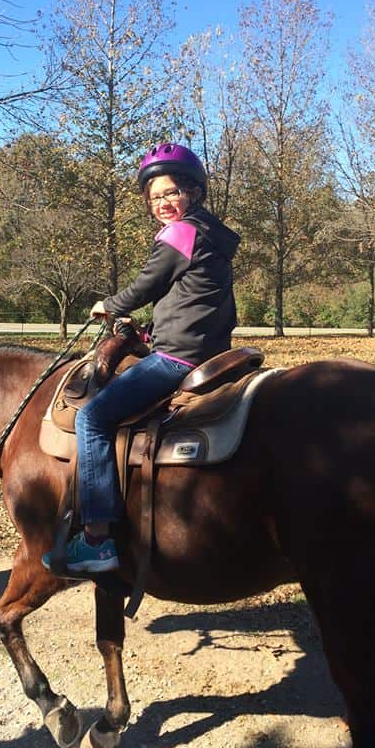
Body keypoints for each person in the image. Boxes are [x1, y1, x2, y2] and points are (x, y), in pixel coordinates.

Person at [42, 143, 240, 575]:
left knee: (92, 419)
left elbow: (147, 285)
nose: (163, 204)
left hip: (179, 358)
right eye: (154, 197)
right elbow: (190, 302)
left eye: (171, 193)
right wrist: (148, 332)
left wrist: (109, 306)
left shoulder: (183, 232)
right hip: (204, 348)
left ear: (194, 192)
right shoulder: (212, 236)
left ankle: (96, 539)